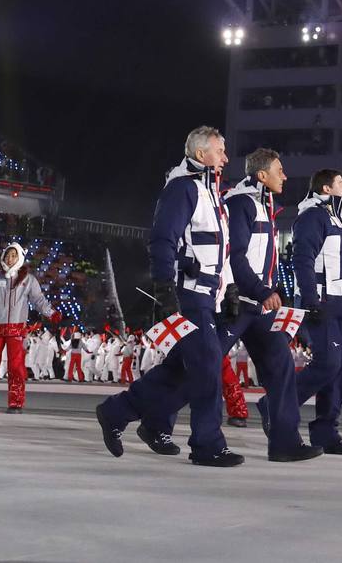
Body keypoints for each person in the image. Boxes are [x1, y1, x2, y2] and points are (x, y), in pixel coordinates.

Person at [94, 127, 242, 466]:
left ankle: (117, 412)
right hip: (188, 295)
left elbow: (221, 251)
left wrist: (230, 287)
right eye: (220, 151)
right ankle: (207, 444)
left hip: (208, 297)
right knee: (206, 368)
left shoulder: (212, 194)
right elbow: (162, 240)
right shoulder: (183, 189)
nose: (225, 158)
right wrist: (165, 288)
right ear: (202, 154)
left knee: (181, 372)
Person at [224, 149, 321, 461]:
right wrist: (260, 289)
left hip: (259, 306)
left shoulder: (265, 206)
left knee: (281, 368)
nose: (285, 176)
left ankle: (284, 443)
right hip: (235, 302)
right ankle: (135, 413)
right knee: (194, 366)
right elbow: (235, 255)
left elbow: (261, 258)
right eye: (280, 170)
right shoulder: (241, 203)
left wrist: (269, 289)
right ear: (262, 175)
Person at [288, 168, 342, 455]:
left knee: (337, 370)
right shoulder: (313, 216)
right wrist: (309, 300)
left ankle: (326, 433)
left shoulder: (340, 220)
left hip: (341, 305)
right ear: (327, 188)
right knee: (327, 365)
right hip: (322, 303)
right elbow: (302, 260)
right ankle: (278, 405)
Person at [0, 243, 60, 413]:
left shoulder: (28, 280)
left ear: (19, 257)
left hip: (16, 329)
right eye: (7, 255)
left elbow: (38, 300)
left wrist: (51, 313)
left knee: (16, 367)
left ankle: (16, 403)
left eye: (13, 255)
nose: (10, 258)